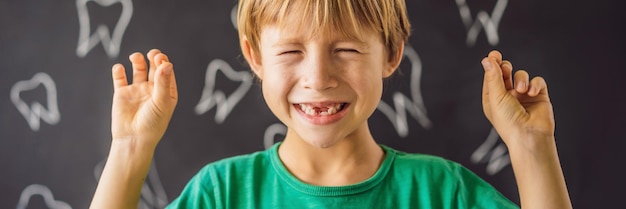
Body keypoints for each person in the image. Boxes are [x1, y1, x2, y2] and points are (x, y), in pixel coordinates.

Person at [90, 0, 572, 208]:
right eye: (291, 52)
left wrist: (531, 146)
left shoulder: (443, 193)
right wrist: (131, 149)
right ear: (255, 57)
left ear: (391, 53)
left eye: (346, 50)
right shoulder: (222, 193)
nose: (318, 79)